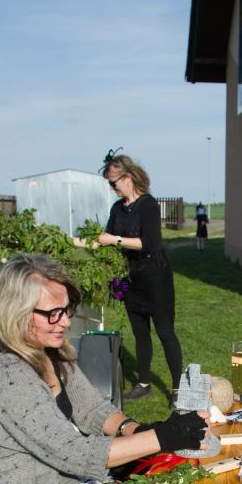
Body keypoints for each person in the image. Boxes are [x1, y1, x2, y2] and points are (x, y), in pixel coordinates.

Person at [0, 254, 207, 484]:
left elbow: (92, 408)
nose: (65, 322)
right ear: (16, 313)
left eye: (66, 310)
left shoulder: (49, 352)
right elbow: (73, 453)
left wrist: (135, 430)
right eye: (52, 313)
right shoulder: (2, 373)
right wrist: (164, 436)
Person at [99, 152, 182, 403]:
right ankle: (144, 384)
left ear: (127, 178)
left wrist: (115, 240)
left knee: (165, 332)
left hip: (155, 278)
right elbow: (106, 239)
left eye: (113, 182)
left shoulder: (149, 205)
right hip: (130, 278)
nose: (111, 188)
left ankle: (178, 389)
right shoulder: (117, 209)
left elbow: (149, 243)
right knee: (140, 333)